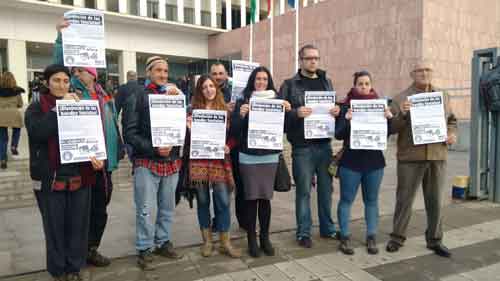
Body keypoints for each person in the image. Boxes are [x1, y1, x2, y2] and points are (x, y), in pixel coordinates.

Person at [25, 64, 104, 281]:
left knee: (78, 227)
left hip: (80, 175)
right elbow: (37, 132)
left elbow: (90, 135)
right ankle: (58, 271)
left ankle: (74, 269)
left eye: (65, 81)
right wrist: (58, 109)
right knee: (55, 229)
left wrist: (97, 158)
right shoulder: (37, 107)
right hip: (51, 178)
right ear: (47, 83)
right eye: (56, 80)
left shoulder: (80, 104)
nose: (61, 85)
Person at [54, 19, 123, 267]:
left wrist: (117, 151)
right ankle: (78, 254)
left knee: (100, 211)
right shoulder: (71, 92)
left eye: (85, 68)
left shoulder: (104, 94)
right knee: (81, 212)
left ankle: (91, 248)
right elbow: (59, 66)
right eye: (80, 67)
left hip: (104, 164)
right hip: (83, 164)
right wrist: (61, 39)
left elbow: (113, 124)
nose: (79, 70)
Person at [386, 62, 457, 258]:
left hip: (437, 155)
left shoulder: (443, 96)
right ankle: (397, 237)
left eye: (427, 70)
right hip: (410, 157)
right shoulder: (401, 98)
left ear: (432, 72)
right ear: (412, 74)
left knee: (435, 200)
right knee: (404, 200)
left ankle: (435, 240)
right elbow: (391, 127)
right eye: (419, 70)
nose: (424, 73)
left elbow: (451, 120)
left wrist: (451, 134)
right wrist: (402, 113)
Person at [122, 56, 184, 270]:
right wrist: (153, 147)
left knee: (167, 208)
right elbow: (129, 133)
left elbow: (180, 128)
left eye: (166, 71)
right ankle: (144, 247)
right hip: (147, 161)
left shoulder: (175, 94)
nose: (163, 75)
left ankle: (163, 242)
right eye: (158, 70)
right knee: (146, 209)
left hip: (171, 161)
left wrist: (181, 103)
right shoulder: (137, 96)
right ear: (148, 72)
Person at [279, 44, 340, 248]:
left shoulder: (326, 82)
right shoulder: (289, 85)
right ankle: (303, 232)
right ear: (301, 61)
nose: (313, 61)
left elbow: (334, 109)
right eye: (309, 58)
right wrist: (295, 113)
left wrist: (336, 111)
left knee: (326, 190)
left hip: (324, 146)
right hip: (302, 148)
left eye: (316, 58)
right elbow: (279, 117)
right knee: (303, 191)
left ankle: (327, 229)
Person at [231, 67, 291, 257]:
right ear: (252, 81)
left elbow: (286, 127)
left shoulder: (277, 101)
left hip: (269, 156)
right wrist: (241, 115)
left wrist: (288, 111)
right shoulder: (244, 101)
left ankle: (265, 238)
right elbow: (234, 130)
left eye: (265, 79)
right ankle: (251, 239)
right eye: (258, 79)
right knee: (250, 200)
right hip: (248, 157)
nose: (261, 82)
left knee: (265, 200)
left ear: (269, 81)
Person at [334, 71, 393, 255]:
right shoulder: (345, 106)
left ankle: (371, 237)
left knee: (372, 201)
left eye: (367, 83)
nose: (364, 87)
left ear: (371, 86)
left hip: (374, 162)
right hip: (351, 162)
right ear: (355, 86)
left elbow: (388, 133)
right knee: (346, 200)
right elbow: (338, 134)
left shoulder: (380, 106)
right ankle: (344, 237)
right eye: (360, 84)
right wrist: (347, 120)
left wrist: (389, 119)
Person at [185, 75, 241, 258]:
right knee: (202, 201)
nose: (208, 89)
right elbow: (186, 140)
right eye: (204, 87)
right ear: (199, 91)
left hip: (219, 161)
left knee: (223, 201)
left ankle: (225, 242)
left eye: (211, 86)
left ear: (216, 89)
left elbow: (234, 136)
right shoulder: (192, 111)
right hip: (199, 161)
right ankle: (207, 241)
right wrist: (188, 129)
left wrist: (229, 146)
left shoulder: (225, 111)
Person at [210, 62, 247, 231]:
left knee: (239, 184)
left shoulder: (237, 93)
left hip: (235, 145)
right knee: (220, 189)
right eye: (215, 73)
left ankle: (243, 220)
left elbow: (242, 120)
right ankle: (218, 221)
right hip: (215, 146)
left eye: (221, 73)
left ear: (226, 75)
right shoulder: (206, 90)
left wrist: (236, 112)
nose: (218, 77)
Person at [0, 71, 25, 169]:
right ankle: (14, 146)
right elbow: (20, 104)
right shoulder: (17, 91)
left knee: (2, 139)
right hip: (14, 114)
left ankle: (2, 159)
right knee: (17, 130)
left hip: (1, 115)